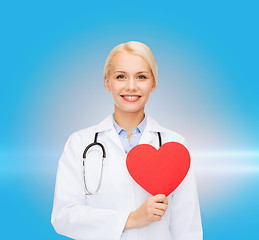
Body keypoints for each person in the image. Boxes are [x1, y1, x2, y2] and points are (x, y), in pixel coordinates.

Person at [51, 41, 203, 240]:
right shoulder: (80, 143)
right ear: (107, 83)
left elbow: (187, 227)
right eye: (121, 76)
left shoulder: (174, 145)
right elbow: (63, 216)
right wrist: (131, 219)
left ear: (153, 83)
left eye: (141, 77)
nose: (131, 86)